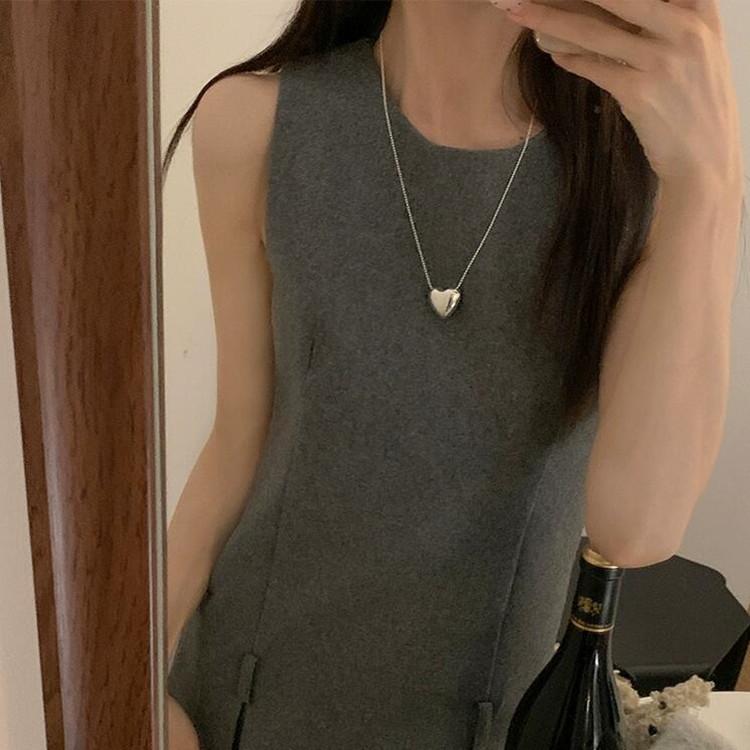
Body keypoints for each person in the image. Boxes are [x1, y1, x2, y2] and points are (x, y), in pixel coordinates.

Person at [162, 1, 744, 748]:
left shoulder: (640, 165)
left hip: (491, 722)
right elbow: (237, 439)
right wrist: (133, 678)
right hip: (245, 700)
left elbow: (635, 529)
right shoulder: (255, 121)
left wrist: (709, 185)